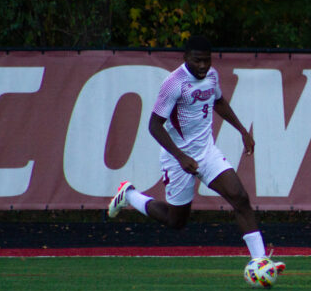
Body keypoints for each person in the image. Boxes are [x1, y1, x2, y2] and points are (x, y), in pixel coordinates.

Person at [108, 35, 284, 271]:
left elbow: (218, 102)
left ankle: (260, 261)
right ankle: (129, 196)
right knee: (176, 221)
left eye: (207, 60)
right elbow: (154, 125)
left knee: (240, 197)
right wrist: (181, 157)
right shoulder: (174, 83)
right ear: (185, 57)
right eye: (197, 60)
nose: (203, 66)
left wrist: (243, 130)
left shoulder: (212, 75)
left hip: (206, 152)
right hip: (177, 158)